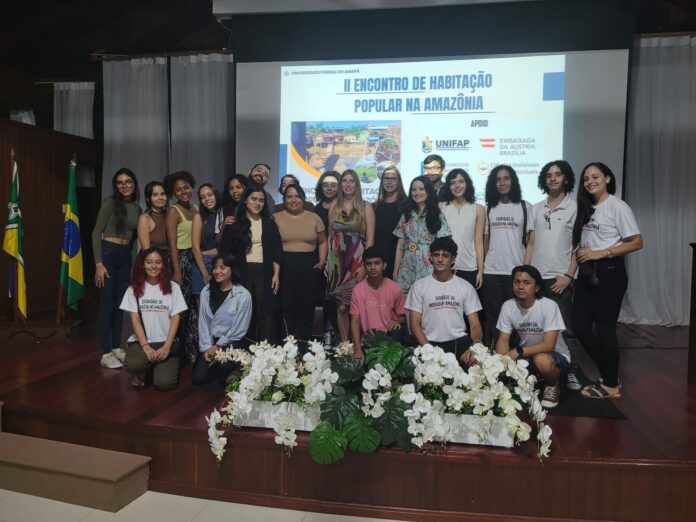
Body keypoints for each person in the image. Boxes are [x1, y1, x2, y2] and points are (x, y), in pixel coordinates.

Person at [572, 162, 643, 400]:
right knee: (580, 326)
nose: (590, 181)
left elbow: (636, 242)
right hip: (587, 271)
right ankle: (610, 376)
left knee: (604, 329)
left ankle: (610, 384)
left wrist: (601, 253)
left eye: (595, 177)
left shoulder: (617, 207)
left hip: (610, 271)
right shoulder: (587, 207)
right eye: (586, 178)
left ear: (608, 179)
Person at [527, 160, 581, 390]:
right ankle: (542, 369)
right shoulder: (536, 208)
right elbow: (530, 242)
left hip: (560, 278)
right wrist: (525, 273)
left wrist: (568, 276)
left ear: (566, 178)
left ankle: (570, 371)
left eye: (558, 174)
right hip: (536, 278)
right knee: (536, 328)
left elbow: (579, 246)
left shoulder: (575, 207)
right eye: (549, 175)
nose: (553, 178)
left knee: (565, 329)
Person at [495, 265, 572, 409]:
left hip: (554, 355)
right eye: (517, 282)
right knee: (507, 372)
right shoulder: (508, 306)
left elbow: (549, 345)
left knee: (541, 359)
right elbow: (503, 340)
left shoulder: (549, 306)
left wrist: (517, 352)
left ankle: (553, 385)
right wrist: (499, 363)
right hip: (527, 354)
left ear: (536, 287)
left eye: (526, 283)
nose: (520, 286)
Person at [92, 168, 141, 369]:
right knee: (107, 305)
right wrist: (98, 264)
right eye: (120, 182)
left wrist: (132, 266)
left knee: (121, 305)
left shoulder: (137, 209)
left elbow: (134, 241)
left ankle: (115, 347)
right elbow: (96, 233)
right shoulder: (109, 203)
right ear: (116, 185)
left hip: (125, 256)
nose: (124, 185)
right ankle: (105, 353)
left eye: (128, 181)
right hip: (108, 254)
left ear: (134, 184)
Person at [220, 184, 282, 344]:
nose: (257, 203)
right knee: (244, 311)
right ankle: (244, 349)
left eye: (261, 200)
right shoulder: (235, 223)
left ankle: (265, 350)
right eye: (254, 199)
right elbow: (227, 252)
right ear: (245, 200)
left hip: (265, 272)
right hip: (242, 272)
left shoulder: (269, 223)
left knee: (265, 312)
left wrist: (276, 275)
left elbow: (277, 251)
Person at [405, 237, 482, 361]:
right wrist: (429, 350)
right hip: (429, 343)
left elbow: (475, 324)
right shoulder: (419, 286)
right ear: (430, 258)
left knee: (474, 365)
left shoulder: (466, 287)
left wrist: (475, 347)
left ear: (453, 259)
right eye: (436, 255)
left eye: (445, 255)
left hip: (459, 343)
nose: (440, 259)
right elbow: (414, 324)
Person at [120, 247, 187, 390]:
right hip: (142, 342)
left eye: (158, 262)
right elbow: (135, 320)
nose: (153, 266)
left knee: (164, 384)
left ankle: (155, 368)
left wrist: (167, 346)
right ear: (143, 265)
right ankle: (142, 372)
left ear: (163, 265)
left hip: (165, 343)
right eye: (149, 262)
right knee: (134, 364)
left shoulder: (173, 288)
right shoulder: (133, 289)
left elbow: (176, 318)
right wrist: (146, 347)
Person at [482, 165, 534, 343]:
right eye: (498, 179)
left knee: (517, 318)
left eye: (506, 178)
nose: (502, 182)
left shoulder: (525, 207)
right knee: (493, 318)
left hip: (515, 272)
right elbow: (485, 241)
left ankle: (515, 359)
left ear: (513, 181)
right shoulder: (489, 208)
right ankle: (493, 360)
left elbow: (530, 242)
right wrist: (481, 268)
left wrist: (524, 269)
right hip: (492, 271)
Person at [275, 184, 328, 347]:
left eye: (297, 196)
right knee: (287, 307)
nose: (293, 200)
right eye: (289, 197)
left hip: (309, 265)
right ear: (284, 200)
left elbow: (323, 241)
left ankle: (303, 346)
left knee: (306, 307)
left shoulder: (314, 217)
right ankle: (287, 346)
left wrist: (321, 261)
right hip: (285, 265)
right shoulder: (275, 218)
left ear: (303, 198)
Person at [326, 169, 375, 342]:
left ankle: (359, 344)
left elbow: (370, 241)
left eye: (351, 181)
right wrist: (327, 262)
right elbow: (330, 236)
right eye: (345, 181)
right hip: (337, 263)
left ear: (357, 184)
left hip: (357, 262)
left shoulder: (366, 207)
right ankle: (345, 346)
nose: (348, 184)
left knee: (356, 306)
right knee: (340, 307)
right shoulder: (334, 206)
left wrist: (365, 265)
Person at [192, 254, 252, 386]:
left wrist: (218, 346)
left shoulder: (243, 295)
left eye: (222, 267)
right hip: (211, 342)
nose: (217, 271)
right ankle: (219, 370)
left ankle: (237, 367)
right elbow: (203, 322)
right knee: (198, 379)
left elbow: (239, 329)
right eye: (215, 268)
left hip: (231, 341)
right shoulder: (206, 291)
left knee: (225, 366)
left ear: (232, 270)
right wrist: (207, 348)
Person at [393, 176, 451, 294]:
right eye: (414, 190)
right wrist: (395, 270)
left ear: (428, 191)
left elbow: (444, 247)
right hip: (406, 270)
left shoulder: (437, 215)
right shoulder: (406, 215)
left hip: (429, 269)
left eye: (421, 189)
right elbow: (400, 246)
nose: (417, 193)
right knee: (406, 307)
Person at [164, 170, 199, 361]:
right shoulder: (173, 211)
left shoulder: (194, 208)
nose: (183, 191)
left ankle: (191, 349)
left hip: (193, 258)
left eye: (186, 187)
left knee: (194, 307)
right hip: (180, 260)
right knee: (181, 307)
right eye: (178, 189)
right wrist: (176, 271)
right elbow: (171, 244)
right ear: (173, 193)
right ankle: (177, 351)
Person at [350, 247, 406, 359]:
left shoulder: (395, 288)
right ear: (364, 266)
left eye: (377, 263)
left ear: (384, 265)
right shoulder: (358, 290)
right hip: (368, 342)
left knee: (397, 332)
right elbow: (355, 322)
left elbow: (402, 317)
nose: (373, 267)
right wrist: (357, 349)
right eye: (369, 264)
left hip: (389, 340)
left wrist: (396, 321)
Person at [438, 168, 485, 289]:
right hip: (445, 266)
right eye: (453, 183)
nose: (457, 186)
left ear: (467, 184)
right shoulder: (442, 207)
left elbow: (479, 242)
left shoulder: (478, 209)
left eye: (461, 181)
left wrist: (480, 270)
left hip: (469, 267)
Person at [314, 171, 340, 348]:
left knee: (340, 299)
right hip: (320, 260)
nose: (329, 188)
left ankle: (340, 333)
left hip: (341, 259)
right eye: (326, 185)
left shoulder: (344, 207)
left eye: (333, 185)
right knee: (325, 297)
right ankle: (328, 331)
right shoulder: (315, 209)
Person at [372, 166, 407, 279]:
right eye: (386, 178)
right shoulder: (375, 207)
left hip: (400, 260)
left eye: (393, 179)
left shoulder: (407, 206)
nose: (389, 182)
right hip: (378, 262)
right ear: (382, 182)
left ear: (399, 182)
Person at [192, 183, 220, 298]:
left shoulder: (223, 214)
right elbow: (195, 247)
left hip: (221, 263)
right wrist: (204, 274)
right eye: (202, 197)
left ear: (216, 195)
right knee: (203, 307)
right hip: (202, 264)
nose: (207, 199)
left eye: (209, 195)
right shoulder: (199, 217)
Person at [215, 173, 249, 244]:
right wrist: (224, 226)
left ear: (246, 188)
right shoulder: (222, 210)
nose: (234, 191)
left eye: (238, 187)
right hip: (229, 253)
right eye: (231, 188)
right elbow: (217, 242)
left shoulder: (252, 208)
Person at [137, 181, 169, 252]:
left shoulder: (169, 215)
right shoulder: (145, 218)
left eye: (163, 194)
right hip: (152, 260)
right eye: (155, 195)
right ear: (148, 198)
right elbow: (146, 251)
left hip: (169, 260)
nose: (160, 197)